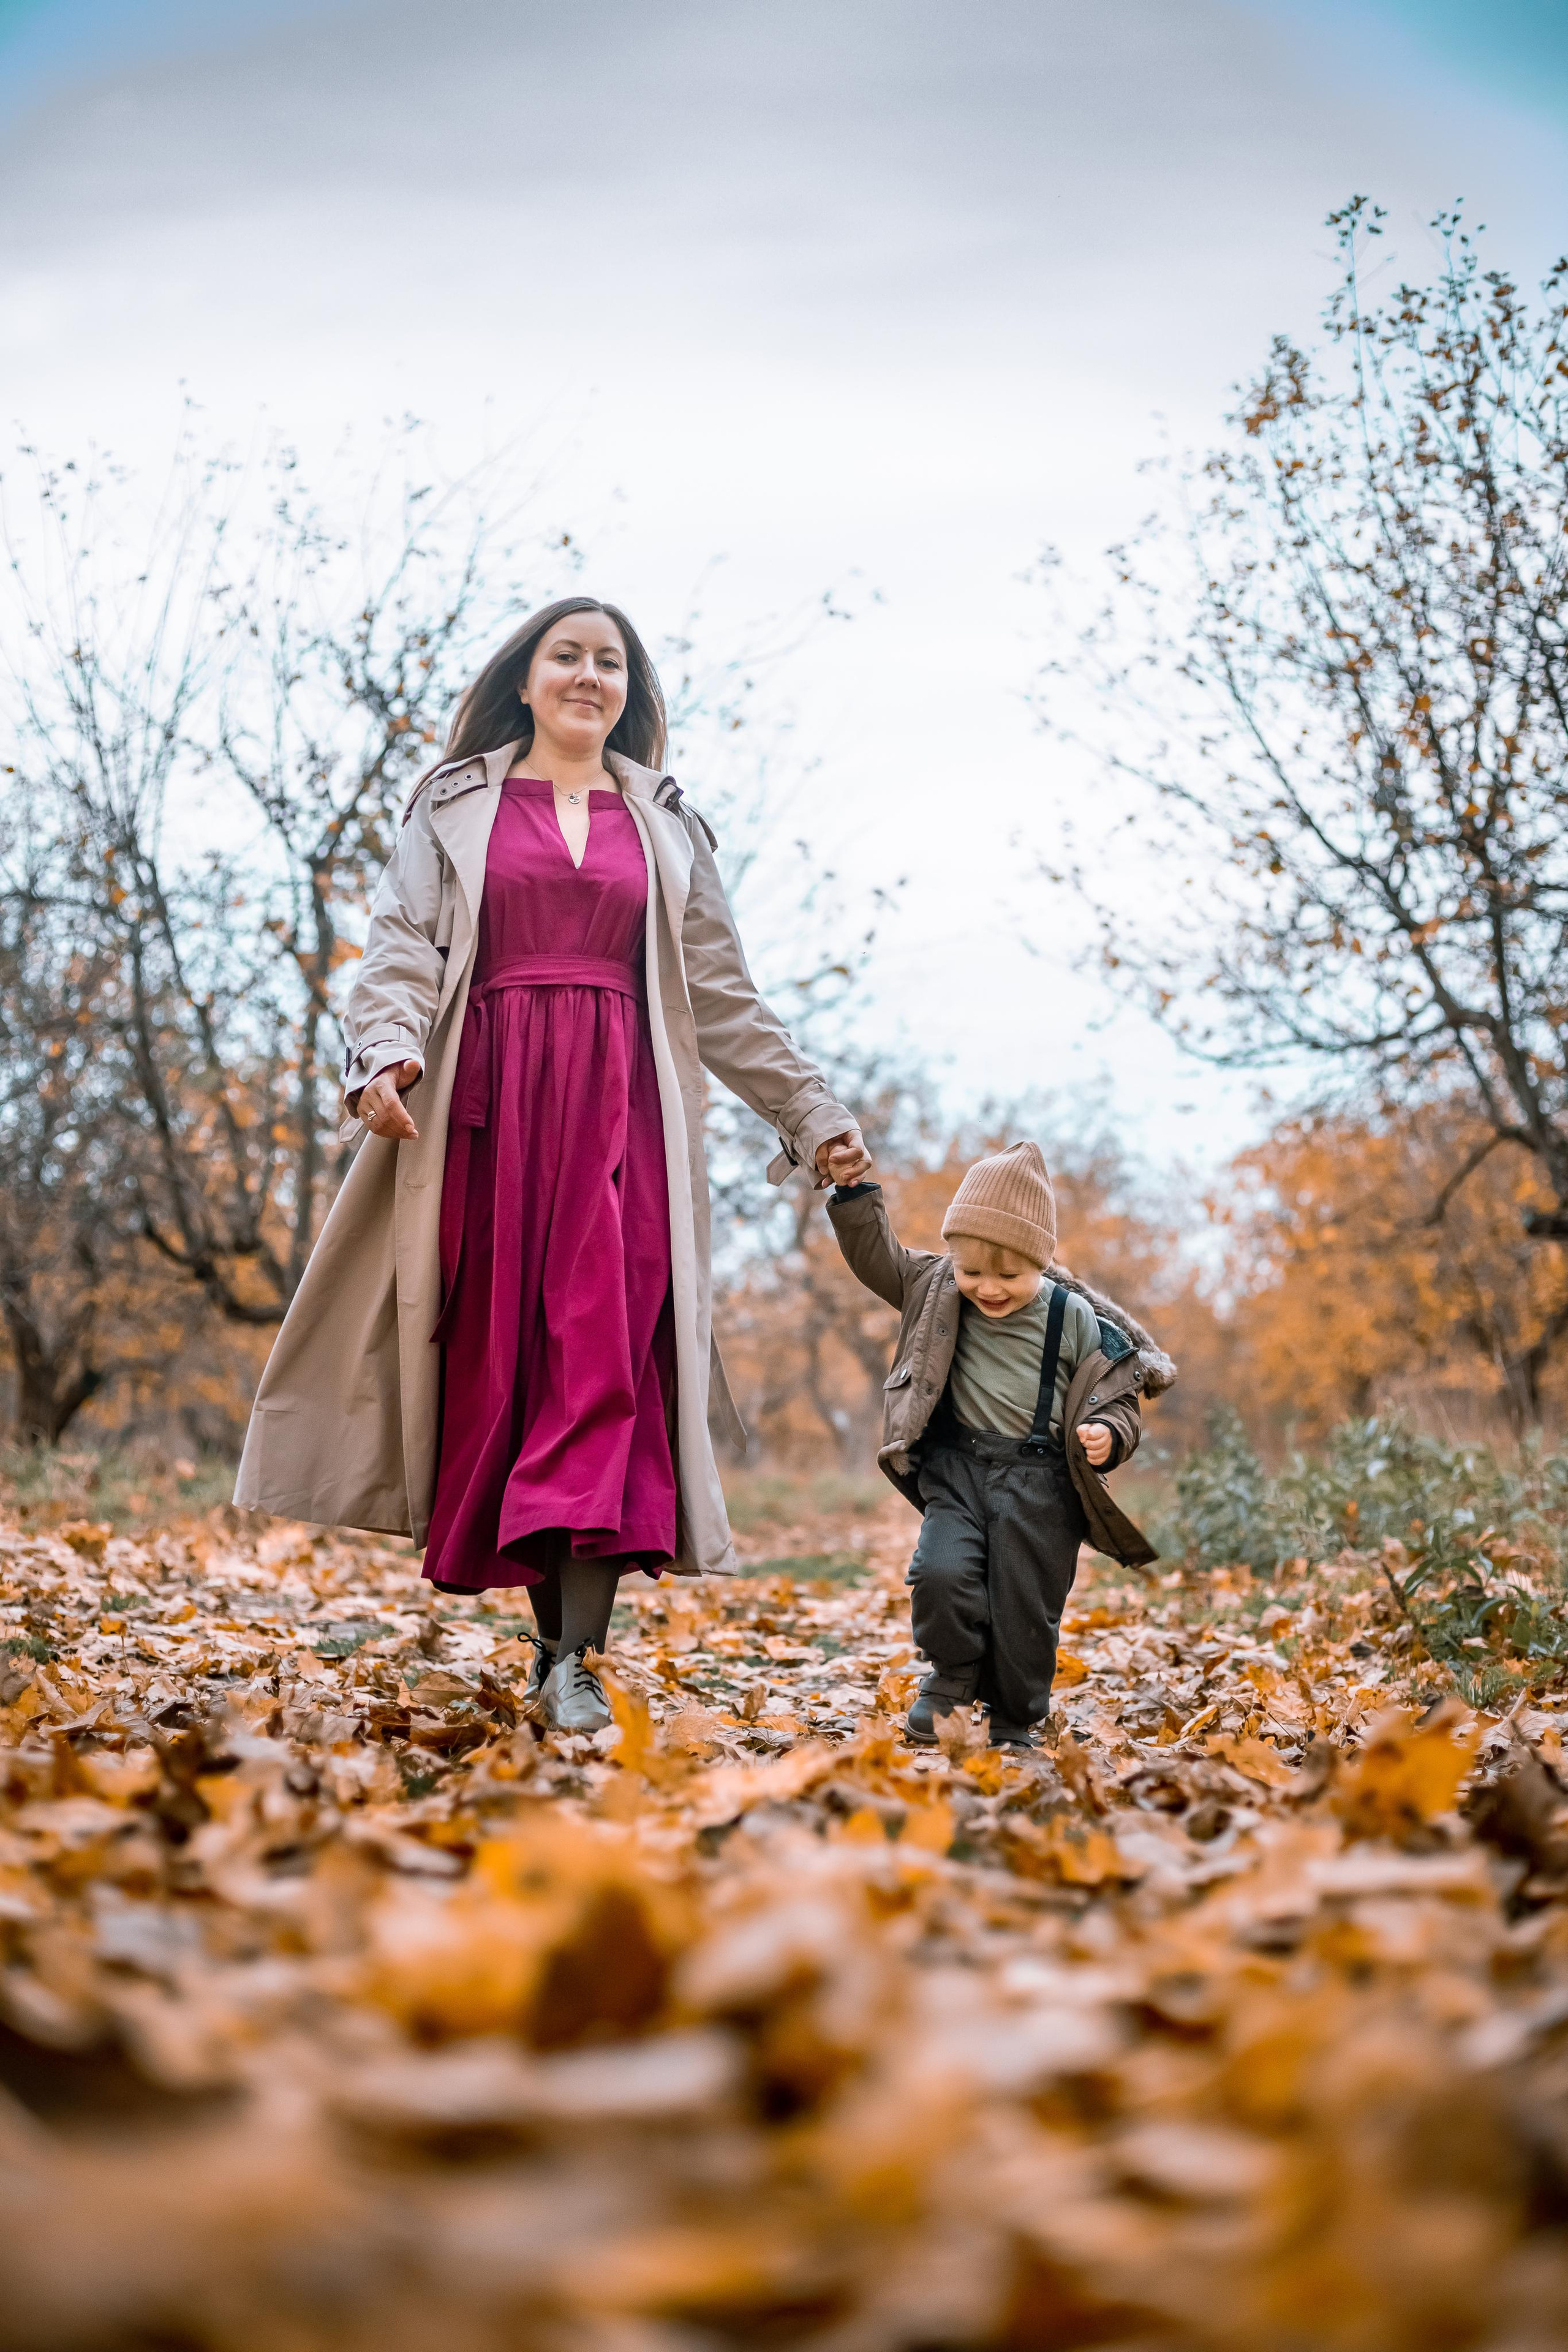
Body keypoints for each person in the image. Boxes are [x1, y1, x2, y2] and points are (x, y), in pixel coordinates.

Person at [235, 595, 870, 1733]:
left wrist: (810, 1109)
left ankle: (578, 1660)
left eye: (610, 661)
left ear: (631, 690)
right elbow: (401, 951)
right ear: (524, 680)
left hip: (623, 1117)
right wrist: (385, 1056)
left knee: (605, 1365)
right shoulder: (456, 804)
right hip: (490, 1118)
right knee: (517, 1373)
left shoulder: (666, 823)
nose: (589, 675)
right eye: (566, 657)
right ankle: (552, 1652)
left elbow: (720, 996)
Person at [826, 1141, 1175, 1749]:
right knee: (940, 1573)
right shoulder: (935, 1286)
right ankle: (950, 1679)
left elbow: (1117, 1397)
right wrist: (855, 1196)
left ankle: (1016, 1714)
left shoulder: (1072, 1318)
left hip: (1039, 1483)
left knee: (1025, 1608)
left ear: (1042, 1264)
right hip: (956, 1467)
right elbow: (876, 1257)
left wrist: (1109, 1435)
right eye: (972, 1271)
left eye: (1009, 1275)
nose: (987, 1288)